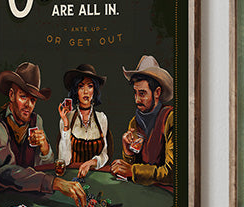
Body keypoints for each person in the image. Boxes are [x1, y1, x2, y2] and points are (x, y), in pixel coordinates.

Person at [0, 62, 86, 206]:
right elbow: (6, 173)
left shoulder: (36, 120)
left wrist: (44, 147)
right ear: (12, 95)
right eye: (23, 97)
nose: (28, 105)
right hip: (5, 200)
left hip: (32, 197)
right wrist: (55, 183)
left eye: (33, 100)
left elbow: (47, 167)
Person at [108, 55, 175, 188]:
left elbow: (172, 173)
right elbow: (130, 169)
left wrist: (132, 170)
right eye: (135, 93)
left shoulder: (170, 118)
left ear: (157, 92)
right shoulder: (134, 122)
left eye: (142, 93)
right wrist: (127, 152)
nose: (137, 100)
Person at [57, 63, 110, 178]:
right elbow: (64, 161)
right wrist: (66, 125)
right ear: (76, 90)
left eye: (90, 86)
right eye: (81, 86)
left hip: (95, 176)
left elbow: (104, 155)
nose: (86, 91)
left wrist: (91, 163)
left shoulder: (102, 118)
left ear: (94, 90)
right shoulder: (67, 118)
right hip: (71, 177)